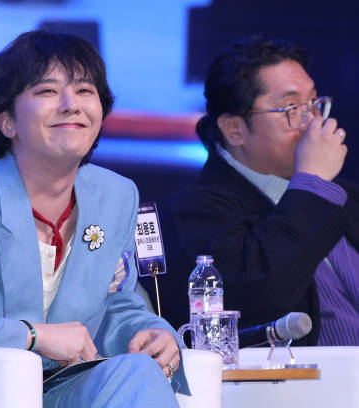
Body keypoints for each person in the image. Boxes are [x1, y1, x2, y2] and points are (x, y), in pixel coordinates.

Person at [0, 30, 189, 406]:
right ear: (7, 120)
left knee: (138, 372)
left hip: (65, 388)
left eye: (85, 90)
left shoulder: (116, 195)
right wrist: (34, 335)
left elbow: (114, 305)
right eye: (47, 91)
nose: (71, 105)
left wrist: (150, 333)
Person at [144, 39, 359, 346]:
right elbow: (261, 294)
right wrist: (312, 183)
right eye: (292, 108)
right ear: (234, 129)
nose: (314, 121)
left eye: (314, 103)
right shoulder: (194, 211)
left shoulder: (343, 196)